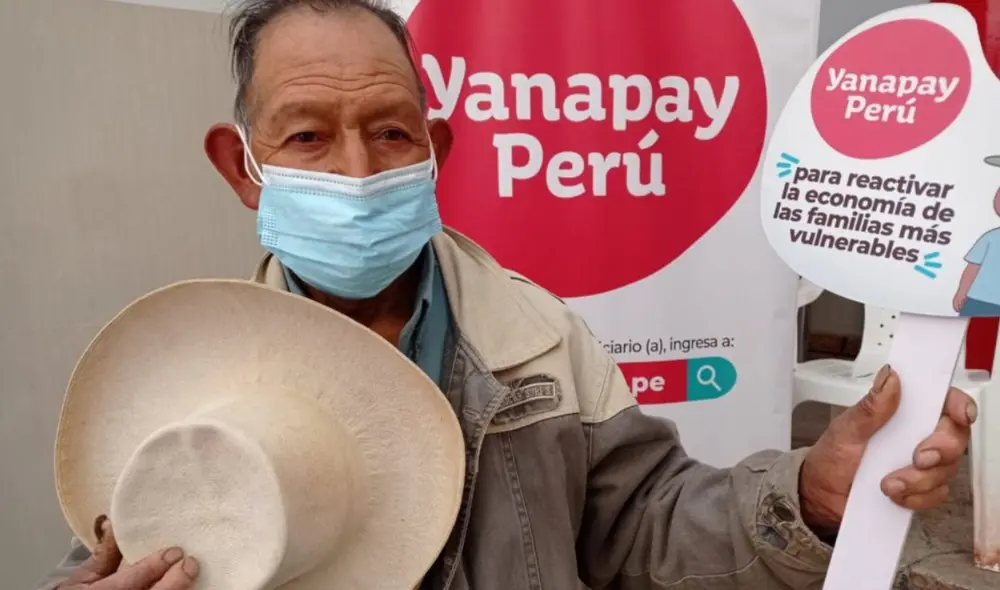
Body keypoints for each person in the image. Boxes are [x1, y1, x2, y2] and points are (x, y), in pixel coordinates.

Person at [37, 1, 975, 589]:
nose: (358, 171)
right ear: (241, 167)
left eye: (391, 132)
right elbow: (115, 555)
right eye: (308, 137)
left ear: (436, 151)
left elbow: (645, 525)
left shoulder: (541, 346)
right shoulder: (175, 392)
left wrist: (808, 494)